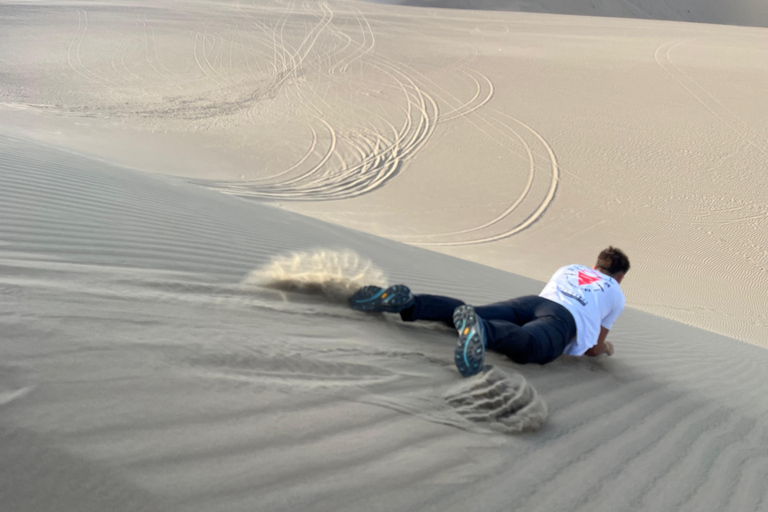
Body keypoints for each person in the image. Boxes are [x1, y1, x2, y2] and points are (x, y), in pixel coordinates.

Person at [349, 247, 629, 377]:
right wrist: (607, 350)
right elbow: (593, 348)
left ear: (595, 266)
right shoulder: (616, 293)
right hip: (562, 319)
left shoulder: (570, 268)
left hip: (530, 303)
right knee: (530, 346)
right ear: (619, 277)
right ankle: (483, 332)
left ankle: (409, 302)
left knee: (469, 311)